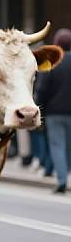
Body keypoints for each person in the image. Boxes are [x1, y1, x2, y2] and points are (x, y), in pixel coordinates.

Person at [36, 28, 71, 194]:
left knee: (57, 146)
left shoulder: (52, 62)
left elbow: (42, 89)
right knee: (68, 147)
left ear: (56, 44)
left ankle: (62, 180)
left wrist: (39, 108)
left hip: (54, 113)